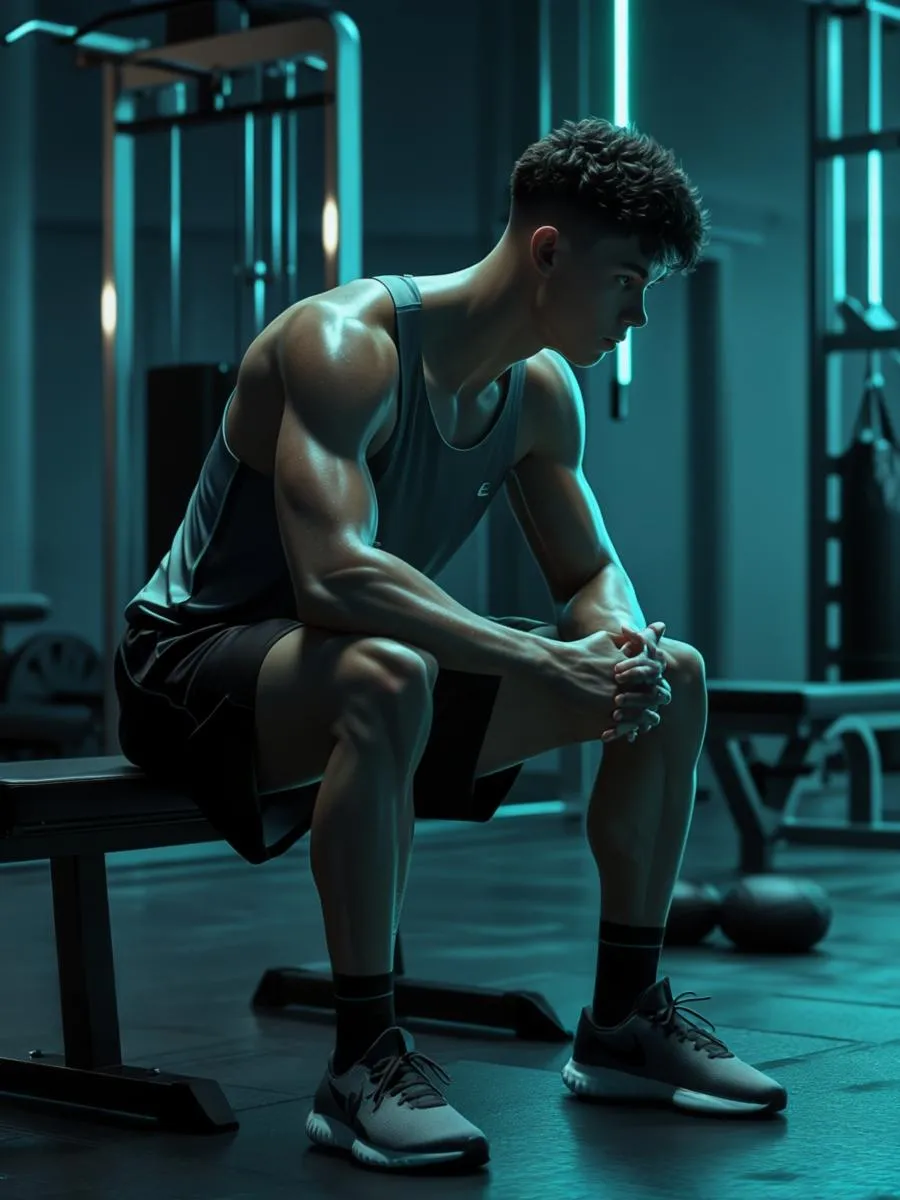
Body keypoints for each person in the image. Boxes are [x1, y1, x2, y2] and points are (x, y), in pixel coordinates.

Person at [115, 117, 786, 1174]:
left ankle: (623, 1022)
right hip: (192, 663)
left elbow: (585, 572)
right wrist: (536, 662)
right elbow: (334, 576)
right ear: (549, 251)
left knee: (675, 674)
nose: (638, 313)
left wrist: (614, 647)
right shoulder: (344, 345)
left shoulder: (539, 393)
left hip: (354, 668)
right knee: (389, 672)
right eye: (626, 281)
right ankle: (360, 1061)